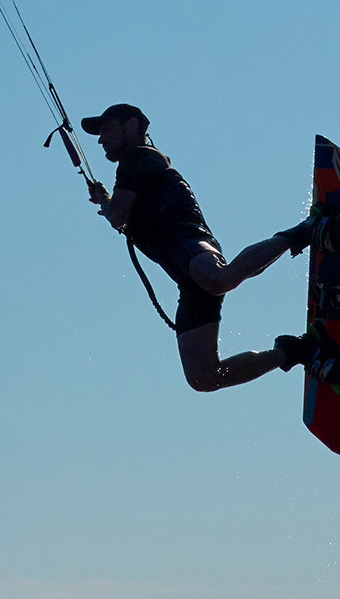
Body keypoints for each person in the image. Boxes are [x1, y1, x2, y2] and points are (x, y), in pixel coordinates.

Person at [81, 104, 312, 393]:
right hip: (187, 280)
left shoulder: (138, 157)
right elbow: (119, 212)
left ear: (132, 125)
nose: (100, 139)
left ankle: (304, 231)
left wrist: (106, 203)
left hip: (194, 248)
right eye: (98, 133)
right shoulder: (132, 169)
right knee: (204, 377)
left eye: (107, 129)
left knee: (218, 279)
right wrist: (105, 199)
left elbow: (117, 215)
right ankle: (292, 352)